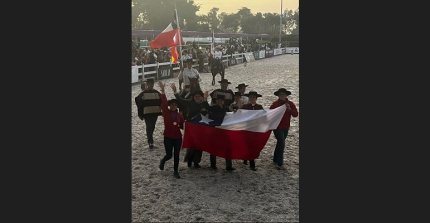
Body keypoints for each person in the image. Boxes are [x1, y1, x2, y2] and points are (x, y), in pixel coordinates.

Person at [171, 83, 210, 168]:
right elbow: (180, 100)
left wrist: (206, 99)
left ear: (201, 97)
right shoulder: (189, 102)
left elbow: (209, 111)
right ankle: (189, 161)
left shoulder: (204, 103)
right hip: (191, 127)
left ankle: (196, 162)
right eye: (196, 96)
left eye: (199, 96)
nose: (197, 97)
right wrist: (175, 92)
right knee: (192, 145)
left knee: (199, 145)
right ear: (193, 97)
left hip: (201, 128)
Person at [157, 81, 185, 179]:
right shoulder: (166, 112)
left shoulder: (179, 115)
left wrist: (185, 126)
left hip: (177, 137)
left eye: (175, 105)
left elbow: (182, 126)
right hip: (168, 137)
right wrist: (163, 91)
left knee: (176, 155)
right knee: (169, 155)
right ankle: (163, 161)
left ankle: (176, 171)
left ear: (177, 106)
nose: (173, 106)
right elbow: (164, 103)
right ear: (170, 106)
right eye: (172, 104)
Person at [270, 88, 299, 170]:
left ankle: (275, 159)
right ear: (278, 95)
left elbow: (295, 114)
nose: (282, 95)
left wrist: (289, 109)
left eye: (283, 94)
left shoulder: (290, 103)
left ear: (286, 95)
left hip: (286, 127)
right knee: (281, 142)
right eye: (280, 94)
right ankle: (280, 163)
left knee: (280, 142)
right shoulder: (275, 104)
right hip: (277, 127)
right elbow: (270, 114)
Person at [208, 95, 235, 171]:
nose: (220, 101)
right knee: (213, 148)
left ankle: (228, 166)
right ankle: (213, 165)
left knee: (228, 147)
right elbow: (211, 117)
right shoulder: (212, 108)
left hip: (224, 130)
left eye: (221, 100)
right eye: (218, 100)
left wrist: (234, 112)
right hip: (215, 130)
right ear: (216, 101)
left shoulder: (226, 108)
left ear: (223, 101)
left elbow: (232, 116)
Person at [134, 78, 162, 149]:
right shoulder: (143, 93)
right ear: (147, 84)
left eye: (151, 84)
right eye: (149, 84)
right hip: (147, 113)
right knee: (149, 127)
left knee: (152, 126)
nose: (150, 85)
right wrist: (141, 113)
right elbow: (137, 100)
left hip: (154, 113)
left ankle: (150, 140)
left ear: (153, 84)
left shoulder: (156, 92)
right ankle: (150, 142)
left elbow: (161, 100)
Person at [241, 91, 264, 171]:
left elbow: (264, 117)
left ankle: (246, 158)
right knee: (249, 145)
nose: (252, 99)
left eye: (253, 97)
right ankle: (252, 164)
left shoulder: (259, 107)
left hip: (256, 129)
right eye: (250, 97)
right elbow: (240, 116)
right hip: (247, 129)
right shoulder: (244, 106)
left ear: (256, 98)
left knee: (253, 145)